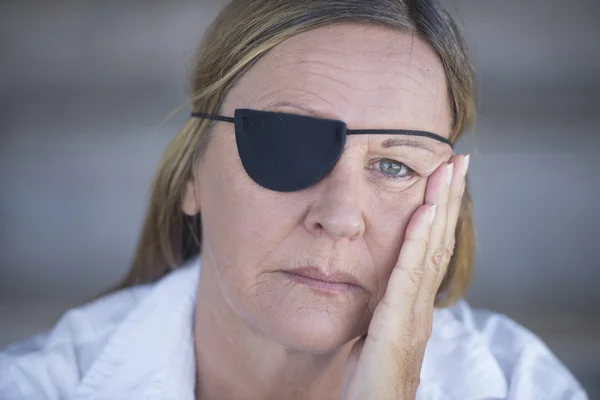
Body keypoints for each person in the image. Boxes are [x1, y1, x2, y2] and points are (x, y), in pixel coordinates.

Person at [0, 0, 588, 399]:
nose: (338, 217)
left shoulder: (519, 386)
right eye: (283, 144)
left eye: (394, 165)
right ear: (192, 178)